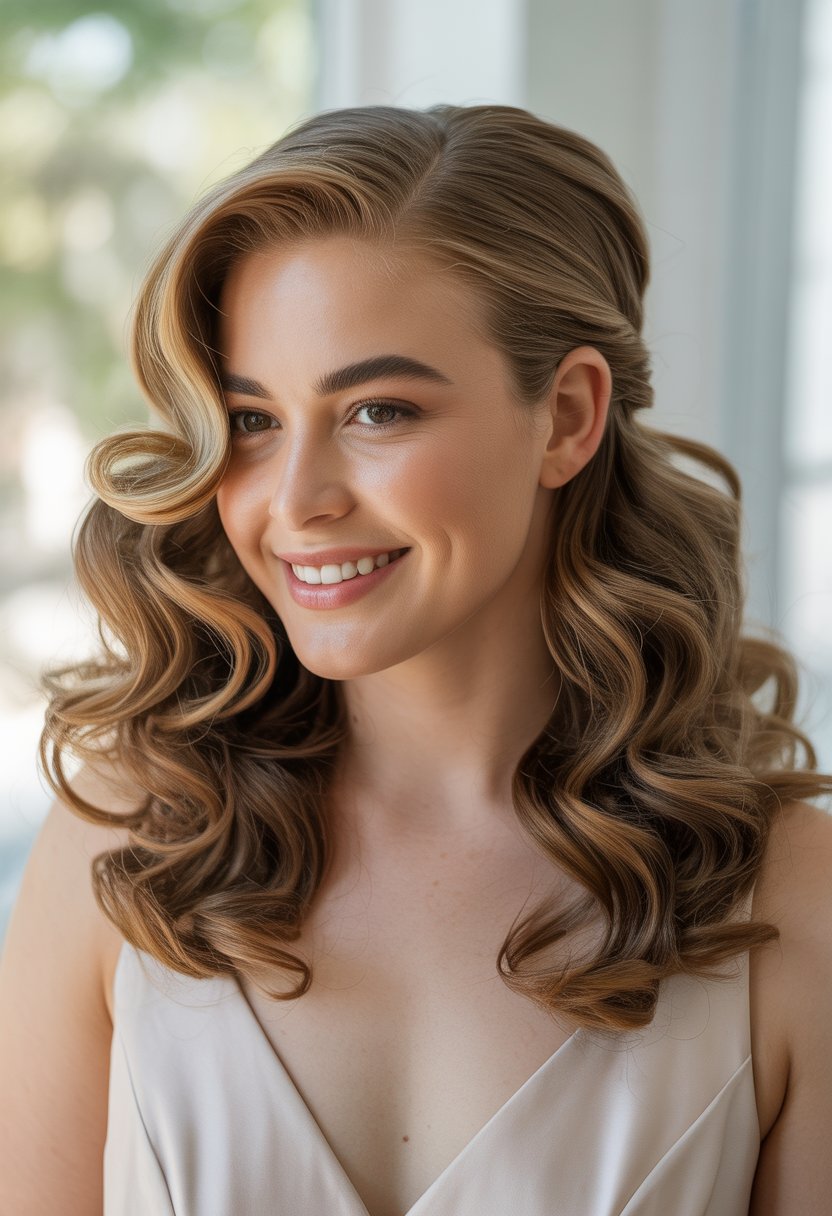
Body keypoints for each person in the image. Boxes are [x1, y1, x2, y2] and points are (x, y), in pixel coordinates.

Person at [1, 102, 831, 1216]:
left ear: (569, 417)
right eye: (251, 421)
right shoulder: (129, 846)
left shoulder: (790, 904)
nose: (294, 502)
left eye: (378, 409)